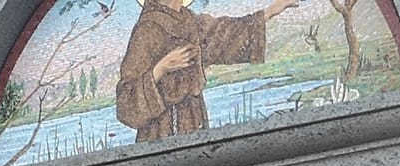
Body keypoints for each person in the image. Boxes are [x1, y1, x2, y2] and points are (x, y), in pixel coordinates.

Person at [116, 0, 301, 145]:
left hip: (193, 117)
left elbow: (226, 34)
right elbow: (126, 101)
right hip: (160, 130)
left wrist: (270, 11)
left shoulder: (191, 22)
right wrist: (161, 68)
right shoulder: (147, 29)